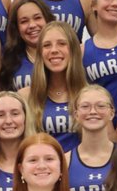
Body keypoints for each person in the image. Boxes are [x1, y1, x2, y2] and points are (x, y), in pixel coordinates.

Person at [22, 22, 86, 152]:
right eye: (47, 45)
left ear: (73, 50)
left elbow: (108, 145)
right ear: (40, 54)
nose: (54, 50)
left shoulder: (90, 96)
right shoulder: (24, 97)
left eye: (62, 43)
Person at [0, 0, 54, 92]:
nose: (32, 25)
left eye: (37, 18)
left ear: (48, 20)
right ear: (17, 28)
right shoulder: (8, 59)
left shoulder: (62, 56)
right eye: (24, 21)